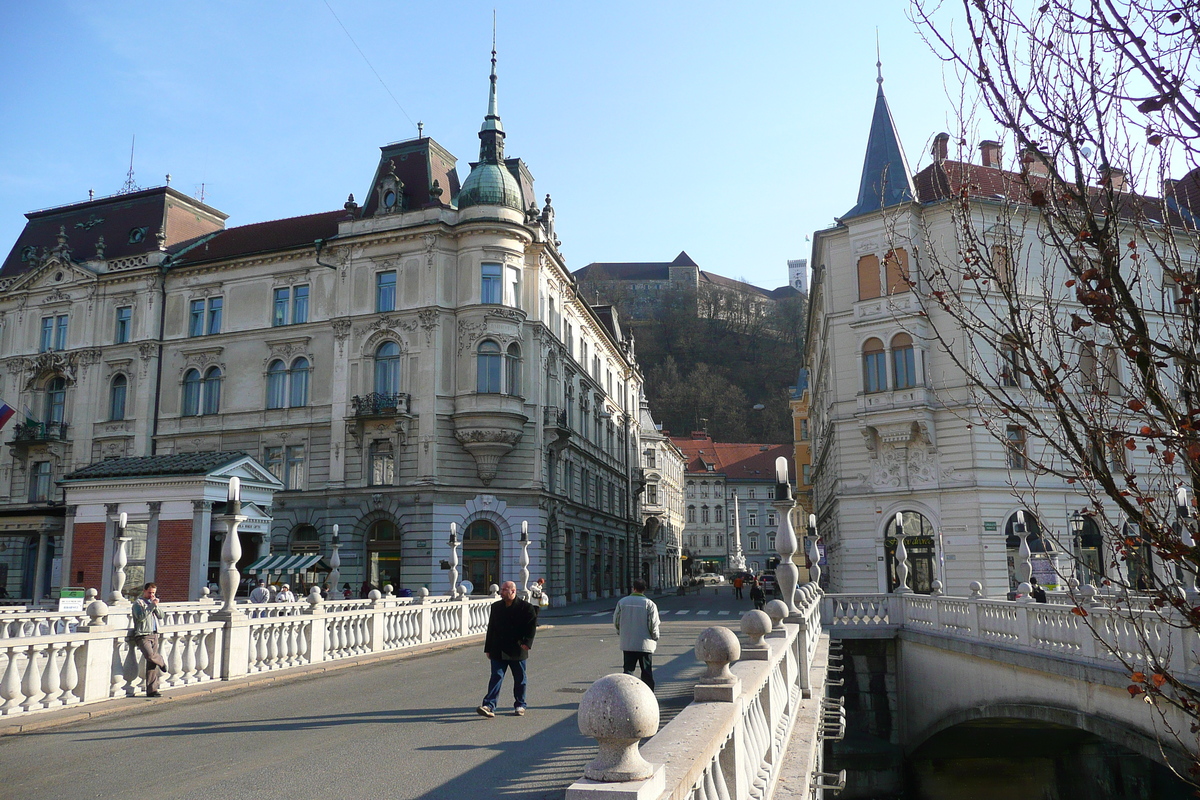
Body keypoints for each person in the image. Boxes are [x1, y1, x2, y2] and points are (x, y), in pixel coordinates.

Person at [477, 581, 538, 718]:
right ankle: (489, 705)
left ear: (513, 591)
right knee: (496, 676)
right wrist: (488, 648)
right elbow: (491, 628)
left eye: (504, 590)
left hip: (517, 649)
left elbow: (531, 627)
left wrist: (527, 643)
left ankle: (520, 704)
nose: (501, 592)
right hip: (498, 648)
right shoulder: (496, 607)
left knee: (520, 678)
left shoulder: (526, 607)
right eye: (502, 589)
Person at [614, 579, 660, 690]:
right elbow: (653, 624)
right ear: (644, 589)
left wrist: (621, 632)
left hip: (628, 643)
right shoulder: (649, 604)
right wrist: (655, 637)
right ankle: (649, 695)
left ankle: (626, 694)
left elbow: (616, 621)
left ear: (633, 588)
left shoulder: (622, 602)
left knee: (628, 671)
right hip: (645, 644)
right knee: (646, 672)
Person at [130, 582, 166, 698]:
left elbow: (161, 616)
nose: (151, 595)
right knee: (150, 656)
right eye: (150, 592)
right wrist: (150, 606)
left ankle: (152, 690)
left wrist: (155, 605)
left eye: (153, 593)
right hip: (143, 634)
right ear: (144, 591)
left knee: (151, 665)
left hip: (154, 634)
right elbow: (140, 617)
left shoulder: (152, 603)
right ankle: (161, 661)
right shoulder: (138, 603)